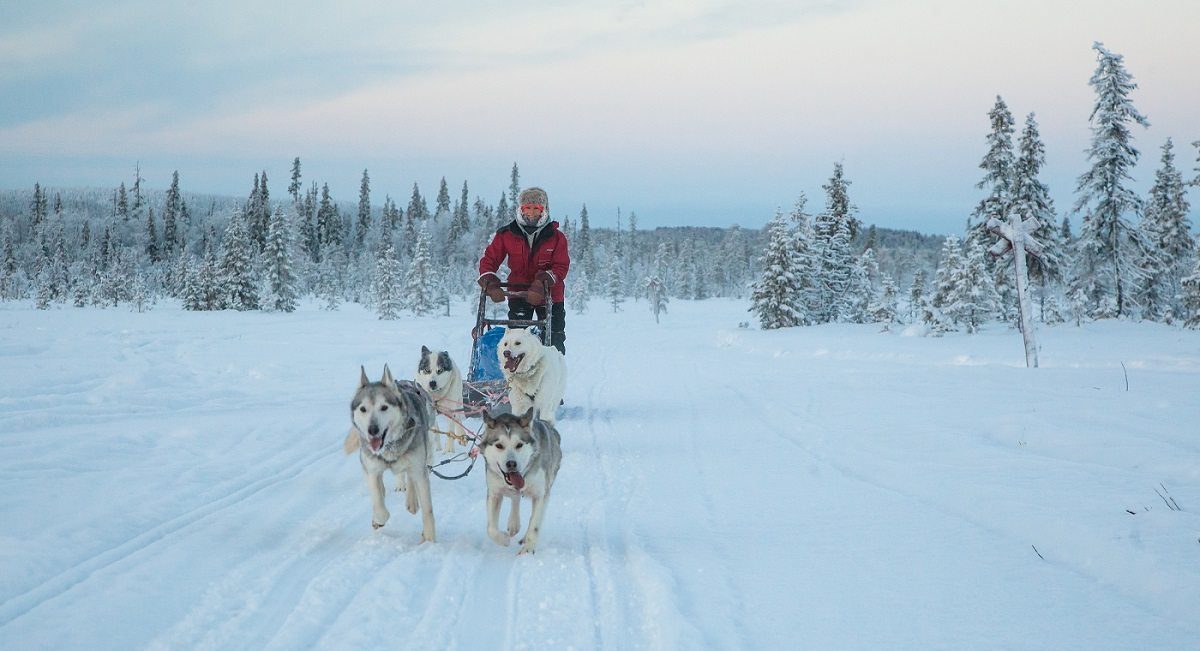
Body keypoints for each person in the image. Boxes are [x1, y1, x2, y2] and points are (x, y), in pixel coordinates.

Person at [477, 186, 569, 355]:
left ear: (544, 210)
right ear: (521, 209)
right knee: (516, 341)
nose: (531, 213)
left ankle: (552, 377)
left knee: (554, 342)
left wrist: (542, 283)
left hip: (551, 295)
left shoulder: (556, 237)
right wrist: (489, 281)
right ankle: (517, 377)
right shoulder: (507, 234)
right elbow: (489, 259)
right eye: (527, 208)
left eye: (536, 208)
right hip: (519, 293)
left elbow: (561, 267)